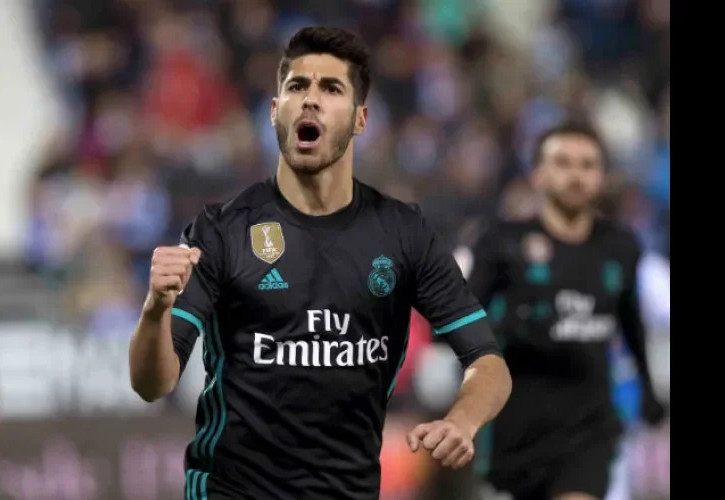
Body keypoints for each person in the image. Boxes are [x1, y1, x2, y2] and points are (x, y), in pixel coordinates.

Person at [128, 26, 512, 500]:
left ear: (359, 119)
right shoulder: (221, 231)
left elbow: (489, 364)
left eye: (331, 88)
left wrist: (462, 420)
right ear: (274, 112)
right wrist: (154, 310)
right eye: (296, 87)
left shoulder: (403, 233)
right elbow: (153, 382)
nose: (310, 100)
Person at [465, 122, 667, 500]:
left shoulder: (620, 247)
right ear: (538, 174)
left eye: (588, 165)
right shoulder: (503, 242)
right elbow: (458, 321)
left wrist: (647, 387)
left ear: (602, 177)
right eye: (563, 163)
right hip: (516, 426)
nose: (576, 175)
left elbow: (630, 319)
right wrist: (510, 327)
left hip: (589, 426)